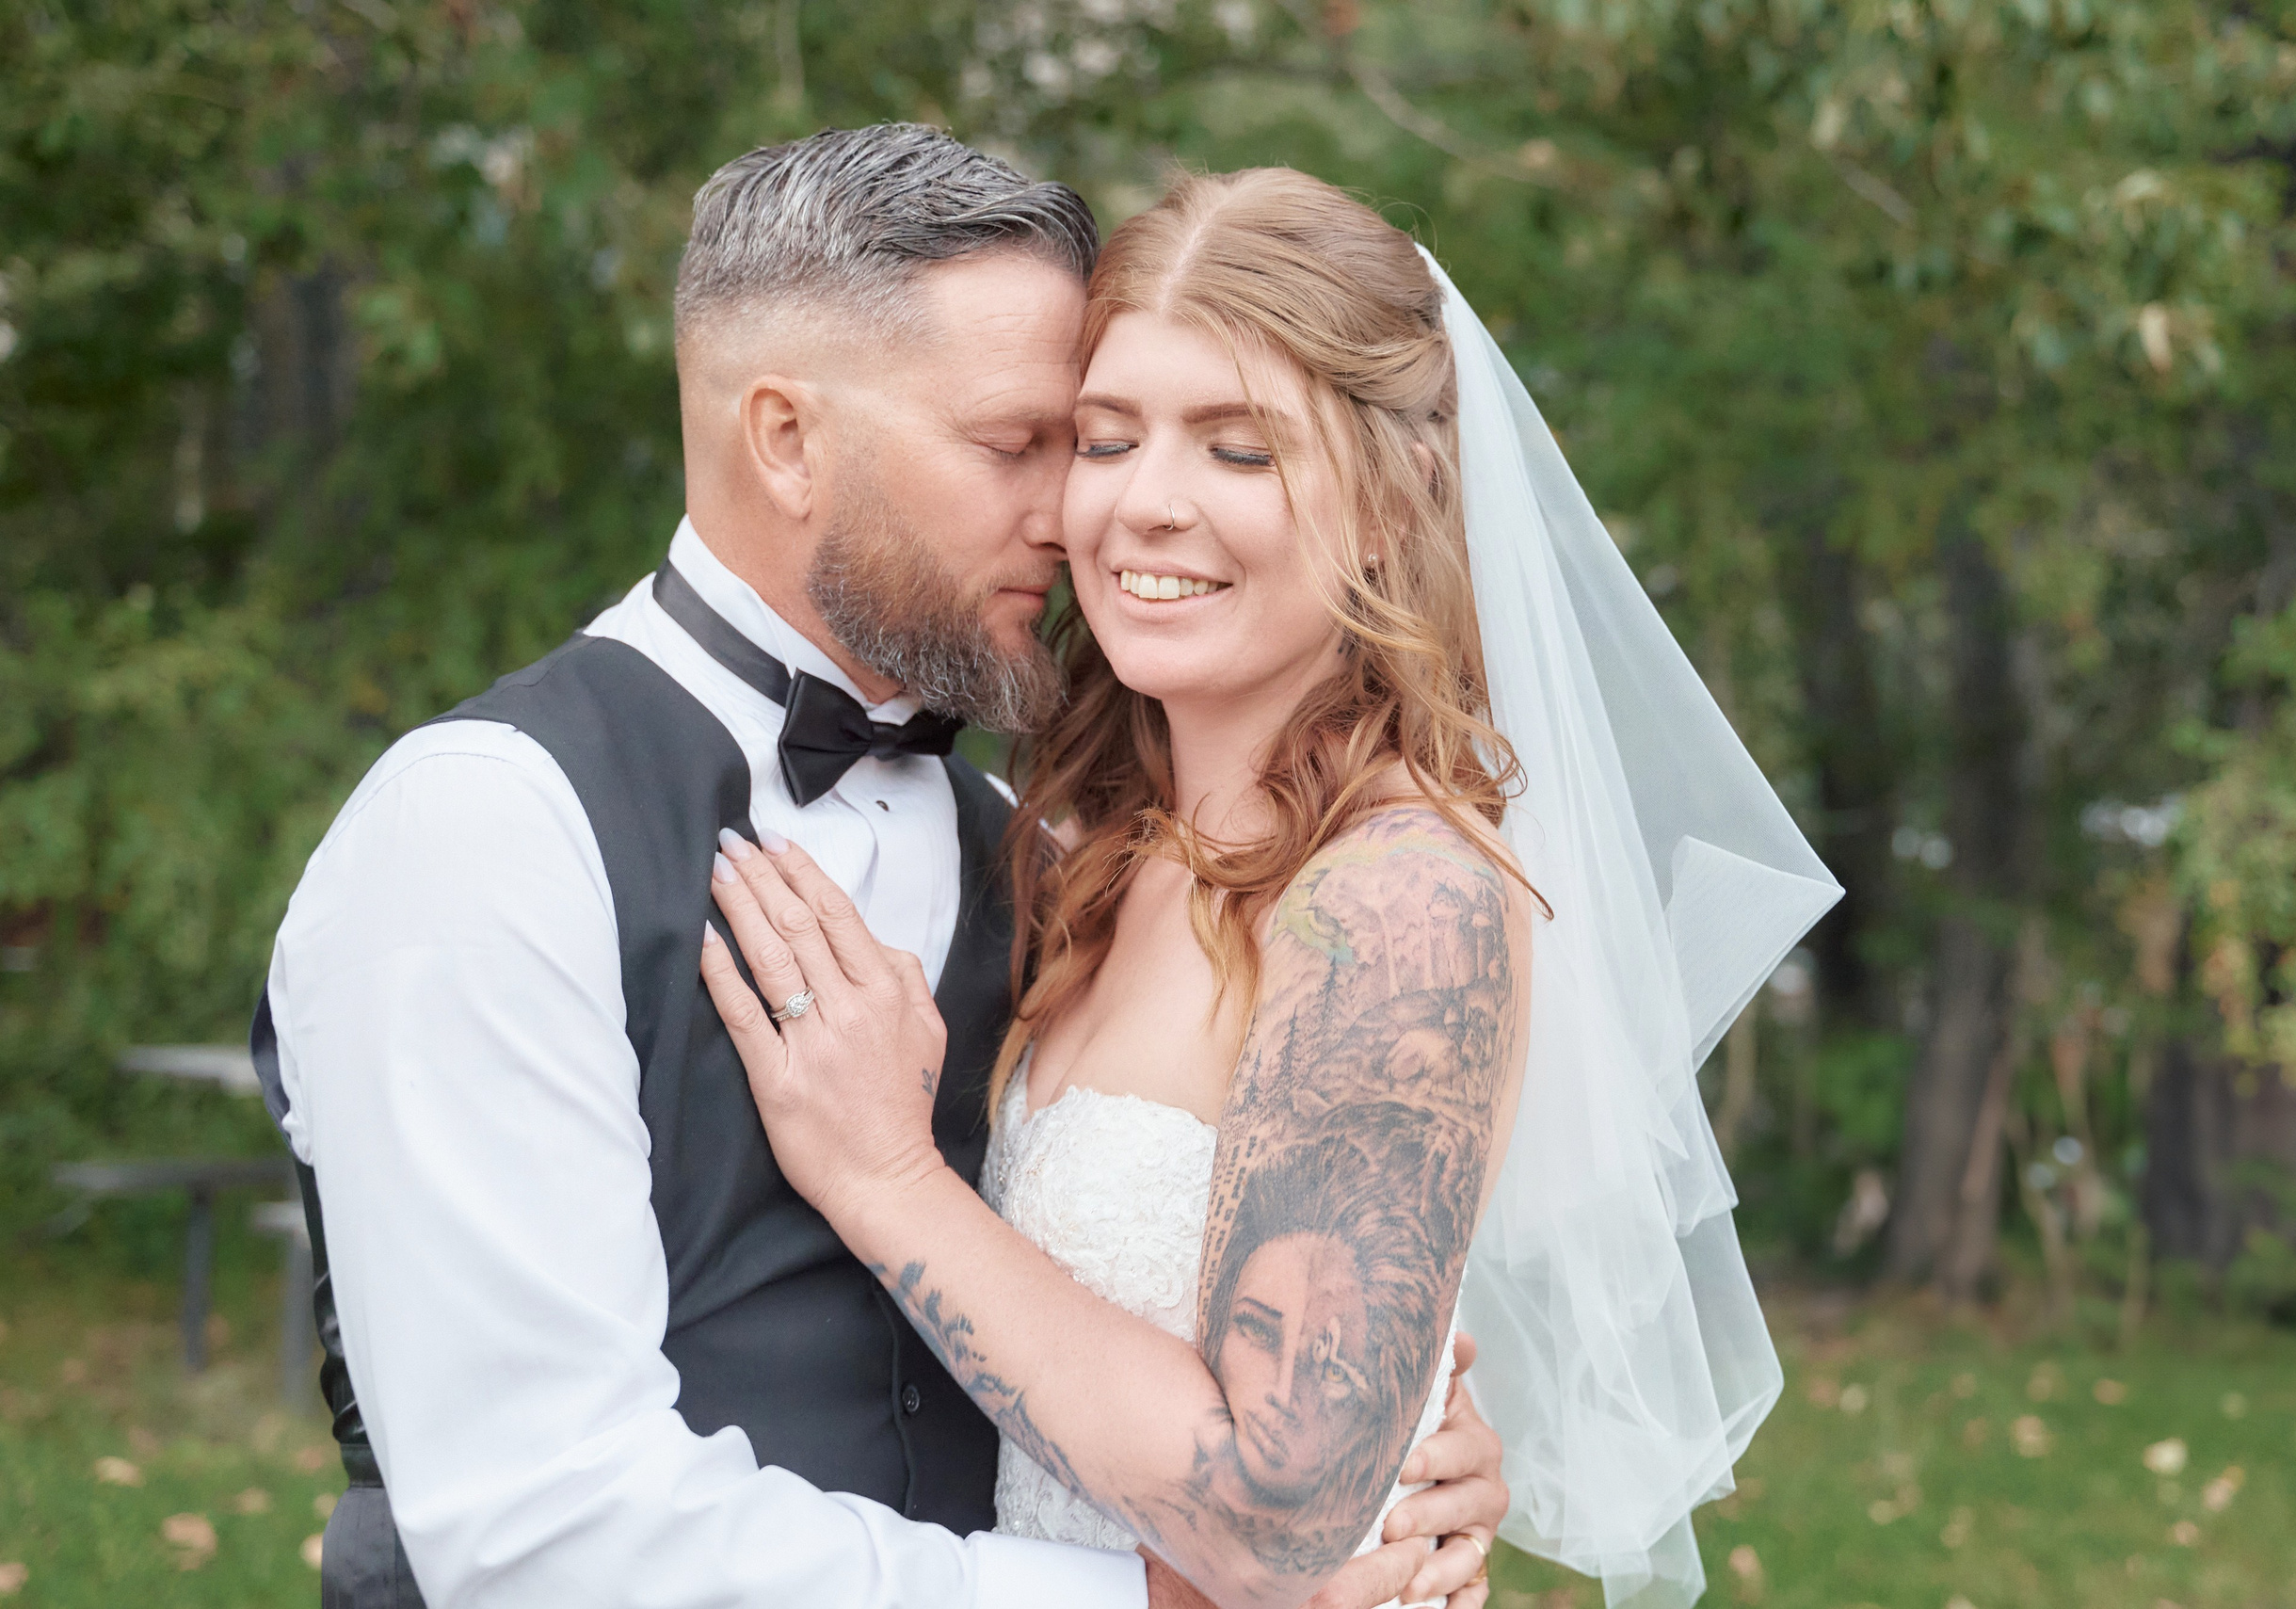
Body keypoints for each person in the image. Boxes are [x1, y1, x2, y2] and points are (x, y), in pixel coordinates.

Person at [253, 127, 1508, 1609]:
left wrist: (1392, 1442)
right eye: (1024, 444)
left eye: (1083, 441)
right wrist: (1159, 1598)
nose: (1082, 512)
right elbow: (545, 1532)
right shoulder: (482, 833)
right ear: (786, 438)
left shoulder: (1046, 855)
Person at [697, 167, 1844, 1609]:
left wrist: (886, 1180)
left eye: (1239, 449)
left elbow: (1276, 1513)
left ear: (1391, 498)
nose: (1145, 506)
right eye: (1107, 440)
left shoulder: (1401, 901)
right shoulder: (1094, 856)